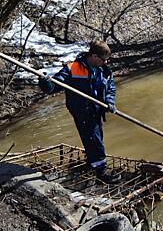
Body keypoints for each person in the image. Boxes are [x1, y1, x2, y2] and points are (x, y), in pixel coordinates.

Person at [39, 40, 117, 184]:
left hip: (97, 109)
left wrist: (110, 102)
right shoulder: (73, 68)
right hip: (82, 110)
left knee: (95, 137)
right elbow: (54, 87)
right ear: (93, 56)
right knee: (95, 140)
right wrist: (45, 82)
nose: (106, 62)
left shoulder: (104, 70)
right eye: (103, 59)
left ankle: (92, 162)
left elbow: (110, 86)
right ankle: (101, 174)